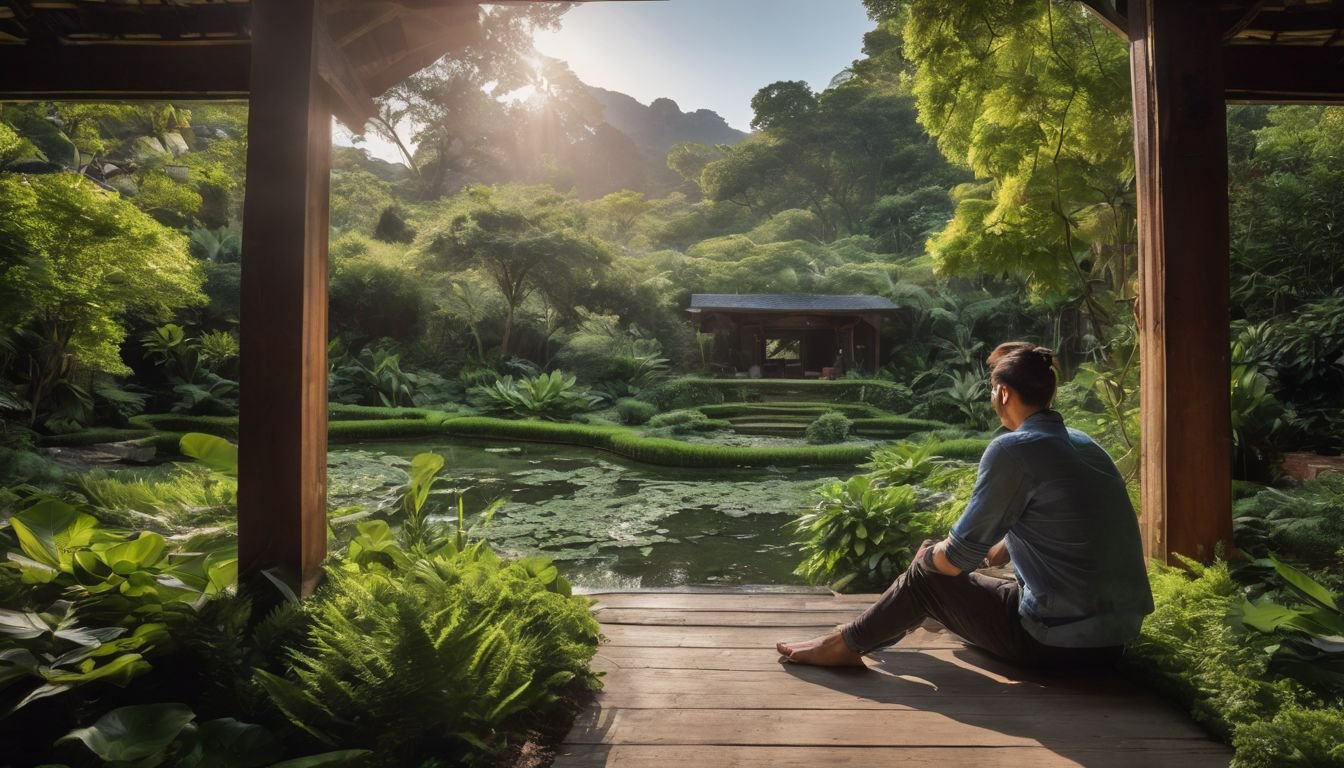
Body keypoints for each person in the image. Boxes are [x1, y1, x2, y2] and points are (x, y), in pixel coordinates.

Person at [777, 342, 1154, 669]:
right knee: (931, 560)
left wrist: (925, 571)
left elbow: (955, 559)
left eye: (991, 391)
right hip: (1112, 644)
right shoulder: (1086, 445)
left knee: (928, 570)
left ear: (1002, 393)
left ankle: (848, 643)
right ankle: (885, 627)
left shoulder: (1014, 449)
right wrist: (959, 561)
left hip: (1055, 645)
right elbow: (1043, 532)